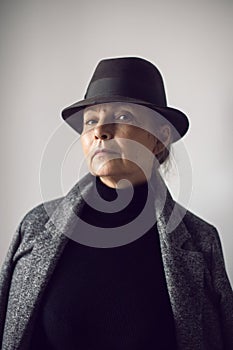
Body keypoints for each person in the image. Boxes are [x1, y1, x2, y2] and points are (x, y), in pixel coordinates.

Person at [0, 57, 232, 350]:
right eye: (91, 121)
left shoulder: (201, 241)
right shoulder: (34, 228)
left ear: (159, 138)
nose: (100, 131)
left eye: (123, 117)